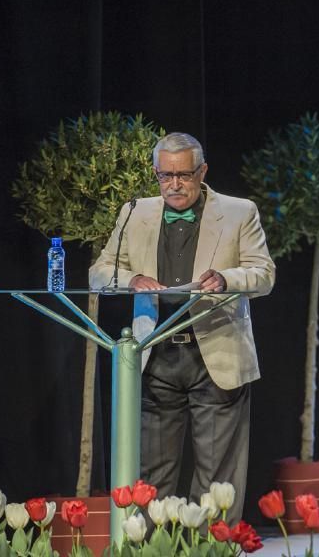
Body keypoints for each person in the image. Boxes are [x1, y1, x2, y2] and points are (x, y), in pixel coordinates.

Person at [89, 132, 275, 521]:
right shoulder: (134, 212)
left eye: (184, 175)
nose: (174, 184)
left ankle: (212, 549)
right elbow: (99, 273)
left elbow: (263, 274)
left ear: (202, 171)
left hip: (216, 354)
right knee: (151, 477)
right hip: (157, 356)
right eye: (164, 176)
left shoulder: (240, 211)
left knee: (217, 481)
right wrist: (132, 279)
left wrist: (227, 279)